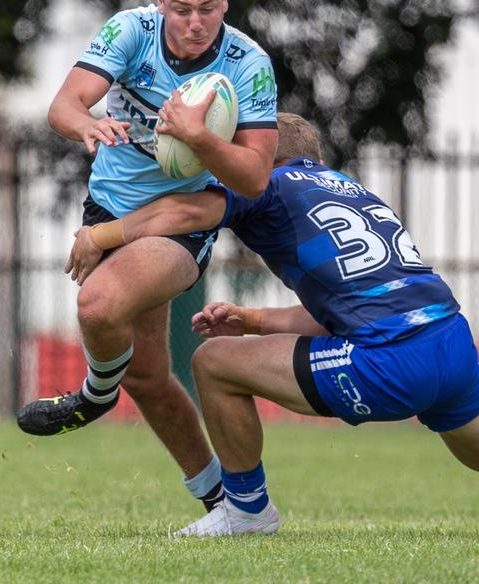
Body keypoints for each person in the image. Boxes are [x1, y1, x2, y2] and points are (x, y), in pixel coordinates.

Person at [65, 113, 479, 536]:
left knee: (213, 363)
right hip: (452, 341)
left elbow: (185, 213)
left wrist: (99, 236)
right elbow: (347, 311)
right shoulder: (350, 189)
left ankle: (247, 511)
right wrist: (251, 320)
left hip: (390, 361)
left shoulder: (265, 184)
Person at [16, 0, 278, 513]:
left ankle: (94, 393)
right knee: (151, 377)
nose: (195, 22)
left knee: (99, 305)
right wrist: (85, 124)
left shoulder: (248, 63)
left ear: (226, 0)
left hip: (181, 222)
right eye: (182, 9)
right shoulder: (129, 31)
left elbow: (255, 178)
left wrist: (199, 140)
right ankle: (223, 503)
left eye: (208, 8)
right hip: (109, 204)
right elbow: (64, 105)